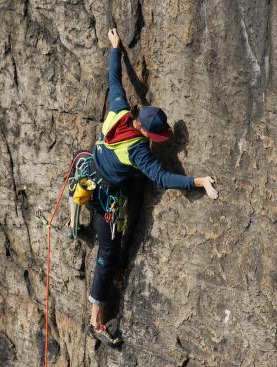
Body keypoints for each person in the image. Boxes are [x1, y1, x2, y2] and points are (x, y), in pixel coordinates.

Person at [68, 28, 218, 345]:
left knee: (107, 206)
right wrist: (197, 181)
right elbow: (161, 177)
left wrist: (114, 48)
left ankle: (73, 216)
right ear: (146, 131)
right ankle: (95, 321)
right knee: (108, 256)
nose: (157, 141)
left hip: (89, 171)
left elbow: (114, 82)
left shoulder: (120, 110)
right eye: (157, 136)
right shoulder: (137, 150)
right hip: (105, 198)